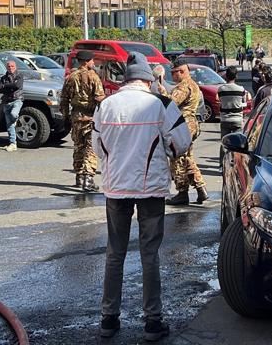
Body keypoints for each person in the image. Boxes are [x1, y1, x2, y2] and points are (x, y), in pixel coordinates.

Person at [93, 52, 191, 342]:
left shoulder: (105, 106)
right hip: (151, 191)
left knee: (115, 254)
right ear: (148, 79)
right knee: (149, 255)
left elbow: (97, 146)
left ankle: (108, 320)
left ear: (126, 79)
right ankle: (152, 322)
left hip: (116, 189)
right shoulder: (161, 104)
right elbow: (181, 143)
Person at [158, 62, 208, 205]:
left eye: (174, 72)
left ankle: (182, 192)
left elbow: (171, 103)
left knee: (177, 157)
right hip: (190, 123)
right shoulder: (193, 84)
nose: (172, 75)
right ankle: (200, 188)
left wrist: (162, 92)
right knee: (187, 157)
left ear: (181, 72)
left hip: (182, 124)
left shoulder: (184, 86)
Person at [60, 50, 106, 191]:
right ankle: (88, 179)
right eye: (92, 60)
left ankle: (79, 177)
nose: (93, 63)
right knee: (90, 148)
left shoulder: (70, 77)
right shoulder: (93, 77)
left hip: (76, 116)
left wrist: (66, 116)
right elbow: (99, 98)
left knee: (78, 146)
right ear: (86, 62)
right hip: (91, 117)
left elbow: (64, 99)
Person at [0, 60, 25, 152]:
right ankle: (13, 144)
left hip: (17, 100)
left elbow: (17, 85)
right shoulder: (3, 77)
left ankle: (16, 120)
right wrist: (10, 87)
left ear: (15, 67)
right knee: (9, 125)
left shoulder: (19, 76)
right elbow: (0, 89)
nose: (11, 68)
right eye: (9, 66)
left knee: (14, 114)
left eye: (12, 66)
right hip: (7, 102)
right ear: (6, 67)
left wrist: (6, 86)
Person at [218, 66, 247, 138]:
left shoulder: (221, 89)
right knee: (237, 144)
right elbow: (244, 103)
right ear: (236, 76)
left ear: (226, 76)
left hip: (225, 119)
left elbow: (220, 101)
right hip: (237, 119)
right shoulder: (241, 89)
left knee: (225, 143)